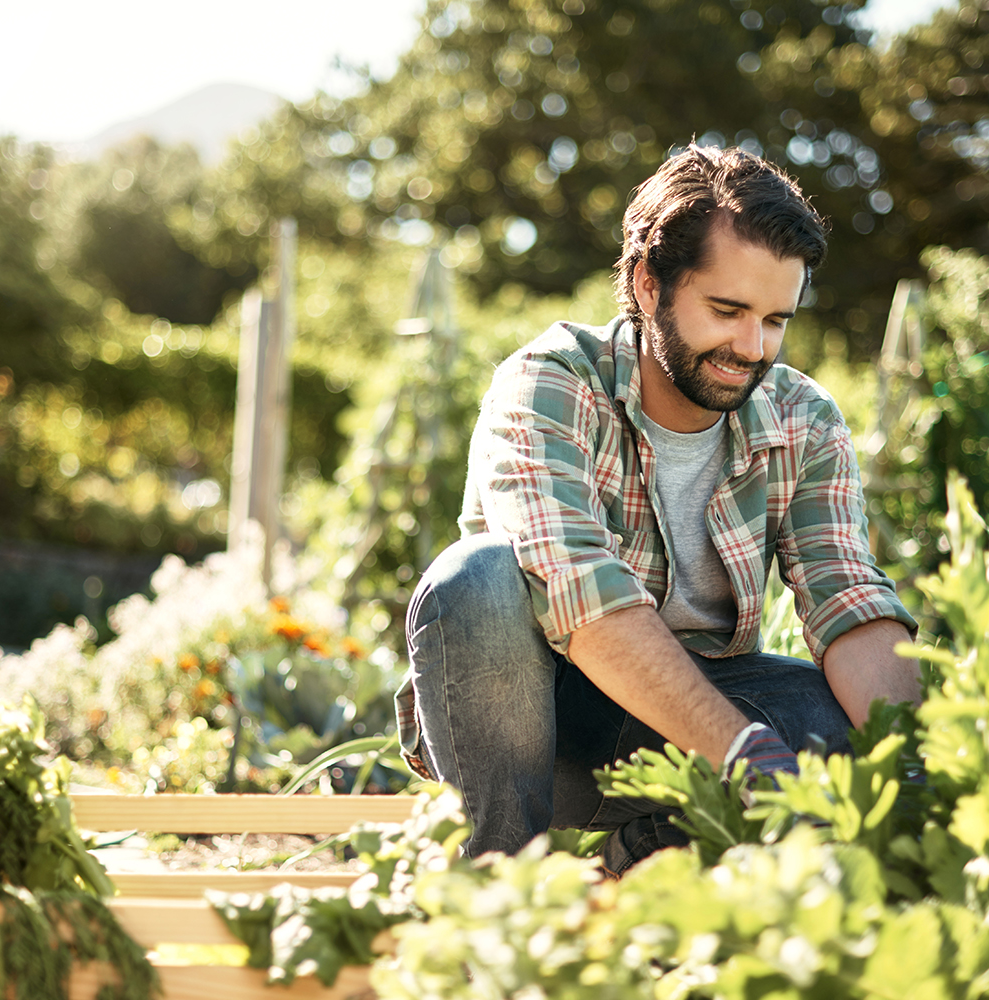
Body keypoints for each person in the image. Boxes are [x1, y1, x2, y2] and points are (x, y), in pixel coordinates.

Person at [394, 143, 920, 876]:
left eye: (776, 319)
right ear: (648, 284)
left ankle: (646, 853)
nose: (752, 346)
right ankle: (499, 879)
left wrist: (920, 764)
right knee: (475, 580)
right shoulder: (548, 384)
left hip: (685, 725)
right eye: (727, 310)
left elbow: (848, 595)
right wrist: (743, 751)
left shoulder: (804, 418)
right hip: (540, 732)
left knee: (833, 715)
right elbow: (584, 597)